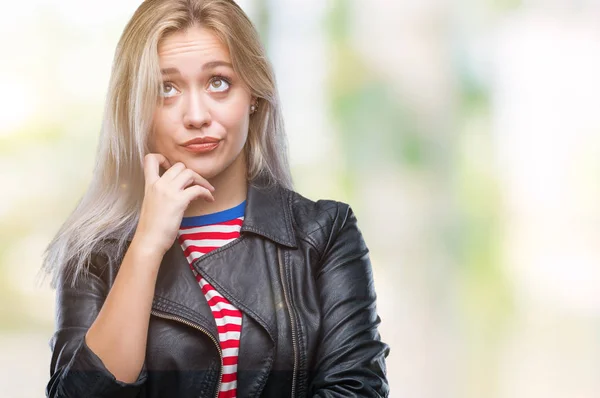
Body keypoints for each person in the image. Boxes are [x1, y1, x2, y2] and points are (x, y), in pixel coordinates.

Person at [42, 0, 389, 397]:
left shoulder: (323, 235)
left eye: (218, 82)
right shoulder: (93, 252)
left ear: (254, 94)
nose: (196, 114)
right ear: (137, 106)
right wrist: (147, 246)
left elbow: (356, 389)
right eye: (166, 89)